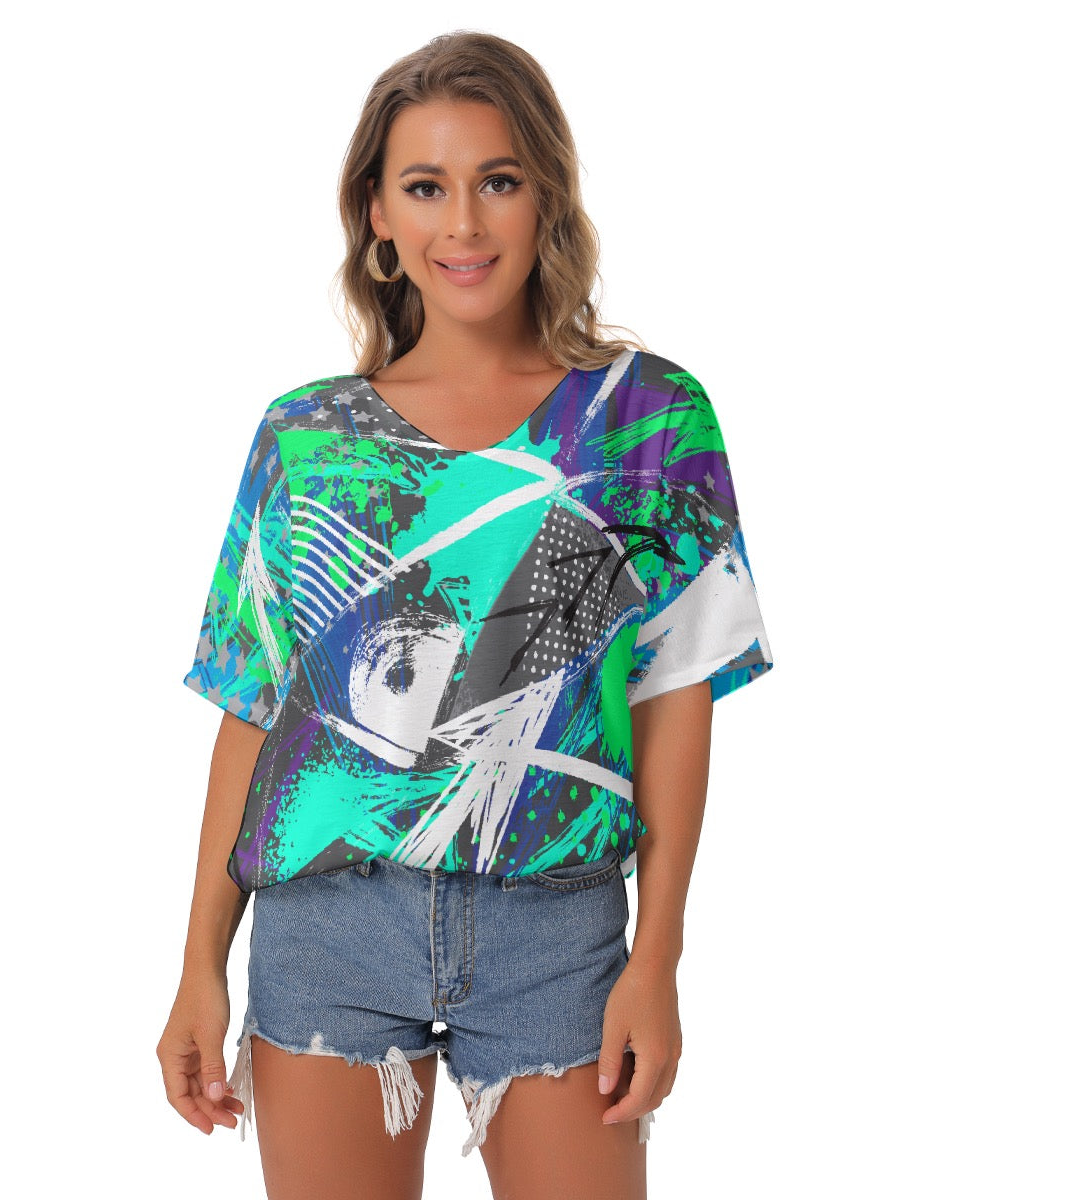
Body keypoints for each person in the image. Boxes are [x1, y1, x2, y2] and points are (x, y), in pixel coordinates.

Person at [157, 29, 773, 1200]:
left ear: (546, 195)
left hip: (556, 934)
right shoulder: (306, 437)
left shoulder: (646, 417)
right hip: (327, 928)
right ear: (378, 216)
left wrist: (659, 957)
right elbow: (254, 712)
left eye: (498, 180)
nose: (465, 224)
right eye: (426, 187)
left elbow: (676, 703)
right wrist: (200, 963)